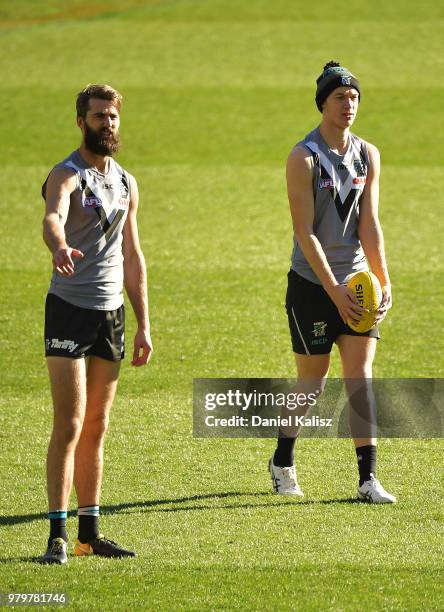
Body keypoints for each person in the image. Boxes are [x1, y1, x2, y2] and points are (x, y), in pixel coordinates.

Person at [269, 61, 396, 503]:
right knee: (314, 383)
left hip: (358, 281)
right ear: (323, 103)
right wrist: (333, 290)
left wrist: (382, 278)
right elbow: (304, 232)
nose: (349, 105)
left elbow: (370, 222)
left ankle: (368, 479)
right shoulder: (301, 157)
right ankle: (282, 461)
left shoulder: (368, 154)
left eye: (355, 98)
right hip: (311, 285)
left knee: (360, 378)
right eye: (340, 98)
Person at [39, 84, 153, 564]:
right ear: (81, 121)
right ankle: (57, 538)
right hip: (69, 309)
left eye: (113, 117)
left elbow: (132, 254)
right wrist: (59, 246)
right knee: (68, 423)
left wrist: (144, 323)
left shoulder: (126, 182)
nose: (108, 124)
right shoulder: (66, 174)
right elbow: (52, 216)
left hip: (111, 315)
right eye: (99, 116)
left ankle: (90, 533)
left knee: (97, 425)